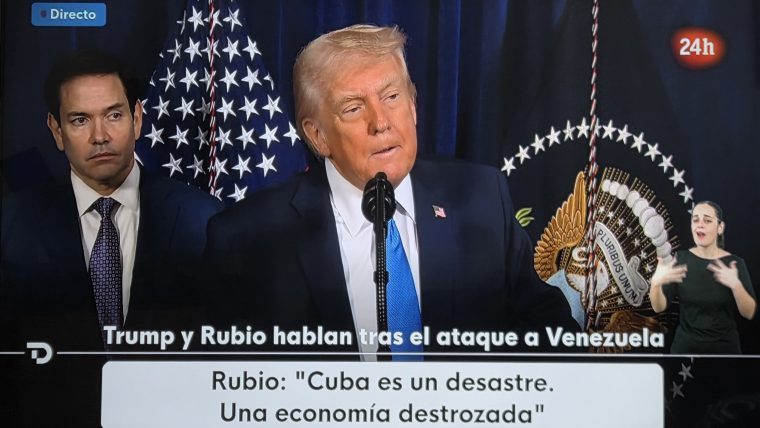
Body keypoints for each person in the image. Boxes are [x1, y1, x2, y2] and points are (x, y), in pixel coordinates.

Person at [203, 24, 576, 359]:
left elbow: (552, 336)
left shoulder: (481, 199)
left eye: (392, 96)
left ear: (413, 105)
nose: (380, 122)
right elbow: (226, 385)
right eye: (353, 108)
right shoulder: (249, 241)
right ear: (317, 136)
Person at [0, 50, 223, 425]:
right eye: (80, 120)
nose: (100, 136)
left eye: (114, 115)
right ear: (56, 130)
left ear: (137, 118)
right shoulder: (12, 226)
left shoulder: (203, 220)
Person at [649, 201, 756, 354]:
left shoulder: (734, 263)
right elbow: (659, 307)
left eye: (707, 220)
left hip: (725, 352)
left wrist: (736, 286)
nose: (700, 225)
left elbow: (749, 313)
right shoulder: (680, 259)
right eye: (695, 220)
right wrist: (656, 284)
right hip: (685, 352)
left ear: (720, 227)